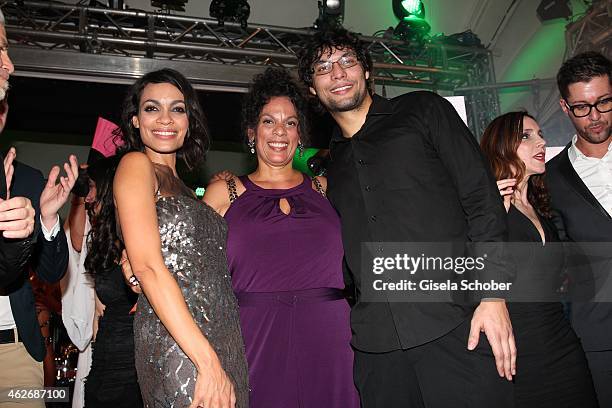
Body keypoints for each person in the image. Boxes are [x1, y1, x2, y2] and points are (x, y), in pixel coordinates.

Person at [297, 27, 514, 408]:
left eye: (347, 61)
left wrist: (493, 295)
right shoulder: (333, 169)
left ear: (366, 71)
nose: (338, 73)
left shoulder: (423, 110)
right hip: (378, 349)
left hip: (457, 326)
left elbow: (482, 200)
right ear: (312, 90)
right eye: (323, 67)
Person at [203, 67, 359, 408]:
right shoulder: (223, 191)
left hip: (332, 335)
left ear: (300, 135)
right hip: (254, 336)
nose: (280, 131)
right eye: (268, 121)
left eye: (290, 122)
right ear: (251, 132)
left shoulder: (326, 189)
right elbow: (191, 267)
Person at [101, 68, 248, 408]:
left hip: (222, 340)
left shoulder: (188, 191)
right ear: (135, 120)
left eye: (177, 108)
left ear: (189, 119)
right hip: (182, 346)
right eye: (152, 108)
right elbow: (149, 268)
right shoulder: (137, 165)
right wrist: (207, 363)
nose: (165, 119)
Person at [480, 111, 598, 407]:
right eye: (526, 136)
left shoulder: (541, 208)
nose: (541, 142)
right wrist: (487, 216)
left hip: (563, 347)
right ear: (501, 145)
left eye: (541, 134)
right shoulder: (484, 208)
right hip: (517, 357)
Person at [0, 7, 78, 406]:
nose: (8, 64)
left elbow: (51, 272)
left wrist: (48, 218)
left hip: (15, 355)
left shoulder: (27, 181)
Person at [546, 51, 612, 407]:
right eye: (583, 107)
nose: (596, 116)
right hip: (599, 335)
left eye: (604, 102)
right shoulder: (550, 179)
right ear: (565, 107)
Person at [79, 155, 143, 408]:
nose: (87, 196)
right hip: (105, 359)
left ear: (107, 187)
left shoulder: (140, 234)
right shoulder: (105, 240)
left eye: (91, 187)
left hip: (135, 363)